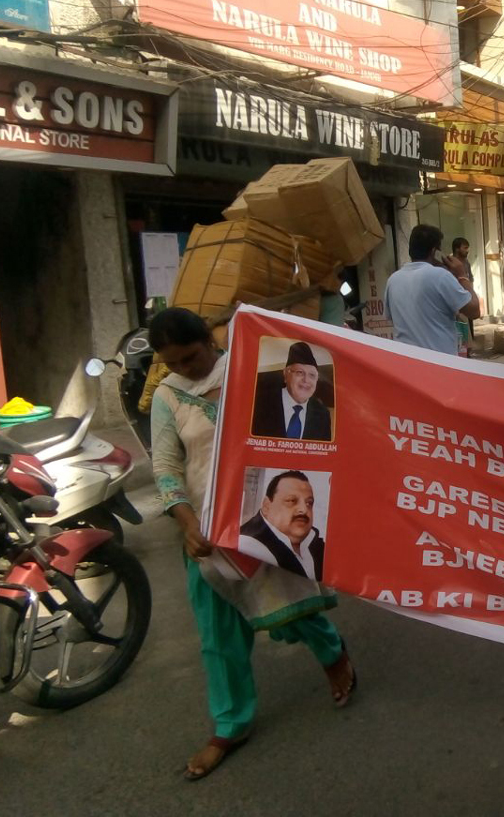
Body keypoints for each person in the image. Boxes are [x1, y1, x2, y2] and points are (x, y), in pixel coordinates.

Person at [148, 308, 355, 781]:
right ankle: (231, 723)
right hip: (206, 532)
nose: (184, 369)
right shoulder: (167, 396)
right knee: (217, 632)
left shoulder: (250, 369)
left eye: (191, 357)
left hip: (266, 519)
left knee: (293, 607)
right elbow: (165, 467)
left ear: (210, 340)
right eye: (172, 363)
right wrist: (186, 522)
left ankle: (333, 654)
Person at [385, 224, 481, 355]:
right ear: (435, 252)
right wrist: (462, 276)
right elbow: (474, 311)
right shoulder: (441, 276)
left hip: (406, 360)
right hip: (438, 361)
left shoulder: (393, 280)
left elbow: (391, 318)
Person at [238, 470, 326, 581]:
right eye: (292, 501)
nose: (304, 509)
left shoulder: (320, 547)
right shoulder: (246, 546)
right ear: (266, 506)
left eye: (309, 503)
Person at [250, 342, 332, 440]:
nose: (306, 380)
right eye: (300, 372)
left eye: (312, 375)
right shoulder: (258, 404)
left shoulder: (322, 414)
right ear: (286, 374)